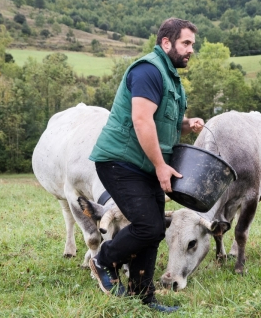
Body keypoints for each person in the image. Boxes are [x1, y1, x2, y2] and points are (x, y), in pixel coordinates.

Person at [88, 18, 204, 313]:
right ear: (167, 43)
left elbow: (159, 118)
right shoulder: (148, 70)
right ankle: (103, 259)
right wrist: (161, 166)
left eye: (193, 44)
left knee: (153, 231)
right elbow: (141, 119)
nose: (192, 49)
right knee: (149, 227)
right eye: (186, 43)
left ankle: (144, 296)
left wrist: (185, 124)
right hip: (121, 162)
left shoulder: (170, 78)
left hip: (145, 166)